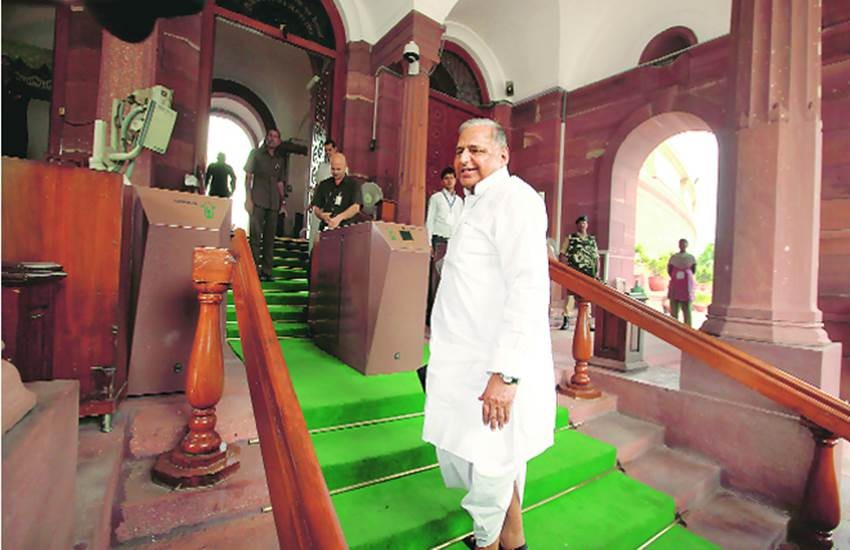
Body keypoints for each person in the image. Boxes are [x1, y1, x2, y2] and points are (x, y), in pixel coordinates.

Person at [423, 118, 555, 550]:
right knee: (485, 455)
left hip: (493, 367)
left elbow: (528, 288)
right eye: (460, 151)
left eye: (476, 150)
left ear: (503, 154)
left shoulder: (515, 200)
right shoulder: (474, 202)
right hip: (465, 360)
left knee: (491, 463)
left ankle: (488, 543)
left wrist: (506, 373)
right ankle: (511, 541)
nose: (464, 159)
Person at [245, 128, 286, 281]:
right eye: (270, 135)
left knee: (269, 239)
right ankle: (253, 271)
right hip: (258, 200)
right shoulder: (255, 154)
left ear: (279, 141)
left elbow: (280, 183)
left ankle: (267, 271)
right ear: (266, 137)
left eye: (275, 136)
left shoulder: (280, 160)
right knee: (255, 237)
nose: (272, 138)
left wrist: (283, 203)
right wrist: (248, 199)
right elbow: (248, 177)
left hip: (273, 203)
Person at [425, 166, 463, 323]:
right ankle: (431, 317)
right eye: (446, 178)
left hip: (452, 242)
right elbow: (430, 220)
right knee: (435, 279)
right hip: (438, 240)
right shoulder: (436, 198)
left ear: (456, 180)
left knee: (450, 279)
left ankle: (445, 317)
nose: (449, 181)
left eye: (452, 178)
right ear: (442, 181)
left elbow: (460, 224)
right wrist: (429, 243)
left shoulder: (459, 201)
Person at [558, 215, 599, 330]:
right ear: (577, 225)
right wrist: (565, 268)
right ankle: (566, 319)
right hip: (574, 271)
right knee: (570, 296)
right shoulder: (571, 238)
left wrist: (596, 271)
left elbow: (596, 256)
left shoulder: (591, 240)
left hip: (588, 272)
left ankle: (587, 321)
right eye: (580, 223)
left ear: (587, 225)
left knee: (587, 297)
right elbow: (562, 253)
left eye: (584, 223)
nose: (582, 225)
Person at [311, 152, 362, 231]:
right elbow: (316, 207)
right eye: (333, 169)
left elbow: (356, 207)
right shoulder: (324, 184)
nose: (335, 172)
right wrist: (322, 215)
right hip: (326, 228)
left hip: (346, 229)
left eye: (338, 169)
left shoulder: (353, 185)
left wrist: (339, 218)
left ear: (345, 167)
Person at [667, 238, 697, 326]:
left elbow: (693, 270)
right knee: (674, 308)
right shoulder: (674, 257)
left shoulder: (691, 258)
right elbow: (669, 270)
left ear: (687, 245)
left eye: (684, 244)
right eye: (681, 244)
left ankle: (688, 327)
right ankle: (673, 326)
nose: (682, 246)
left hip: (686, 286)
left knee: (687, 308)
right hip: (675, 285)